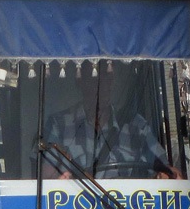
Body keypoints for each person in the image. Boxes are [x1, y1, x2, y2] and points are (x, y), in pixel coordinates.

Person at [43, 62, 180, 179]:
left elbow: (166, 172)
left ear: (112, 82)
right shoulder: (58, 125)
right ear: (80, 82)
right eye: (94, 78)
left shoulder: (137, 127)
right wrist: (60, 177)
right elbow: (45, 176)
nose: (101, 85)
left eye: (107, 78)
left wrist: (169, 174)